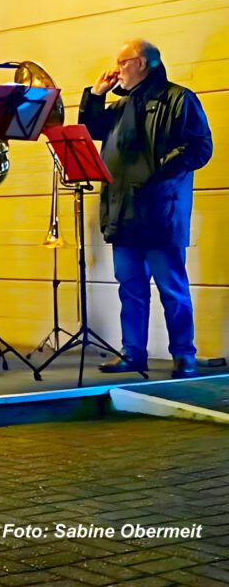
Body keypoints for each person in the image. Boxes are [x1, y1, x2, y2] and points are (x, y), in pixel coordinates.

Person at [80, 39, 212, 379]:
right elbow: (91, 130)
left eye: (122, 62)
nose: (116, 69)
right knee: (131, 287)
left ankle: (184, 355)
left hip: (159, 211)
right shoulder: (121, 106)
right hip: (123, 210)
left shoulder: (179, 99)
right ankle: (132, 352)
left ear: (140, 63)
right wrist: (96, 95)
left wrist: (160, 170)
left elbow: (200, 147)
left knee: (172, 288)